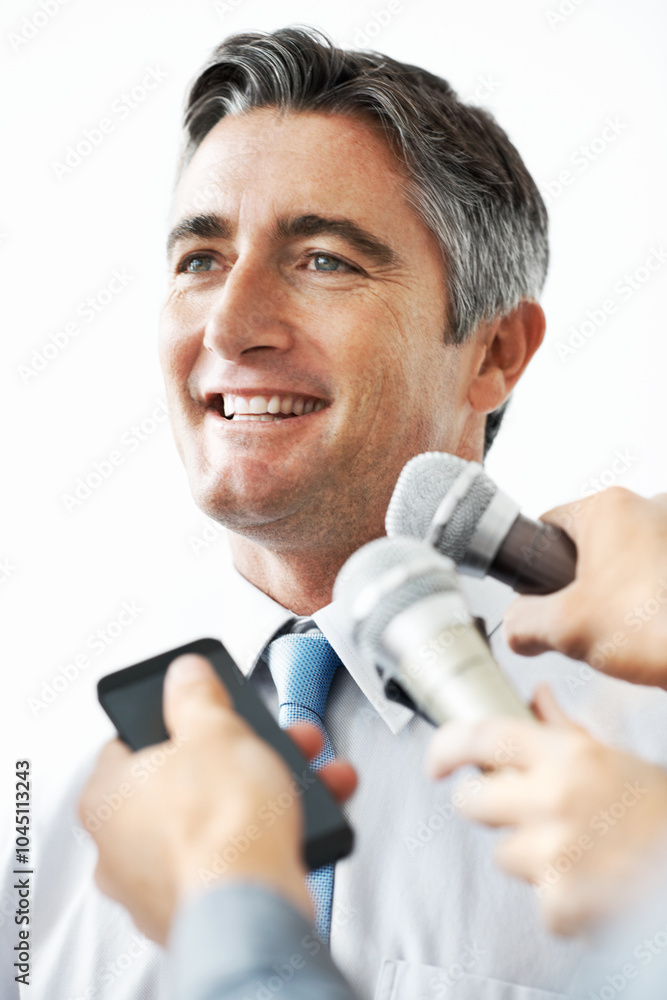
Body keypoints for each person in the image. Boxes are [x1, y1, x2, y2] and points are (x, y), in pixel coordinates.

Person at [9, 26, 667, 1000]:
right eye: (199, 258)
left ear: (493, 353)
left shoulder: (642, 752)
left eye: (322, 260)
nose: (230, 325)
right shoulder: (36, 770)